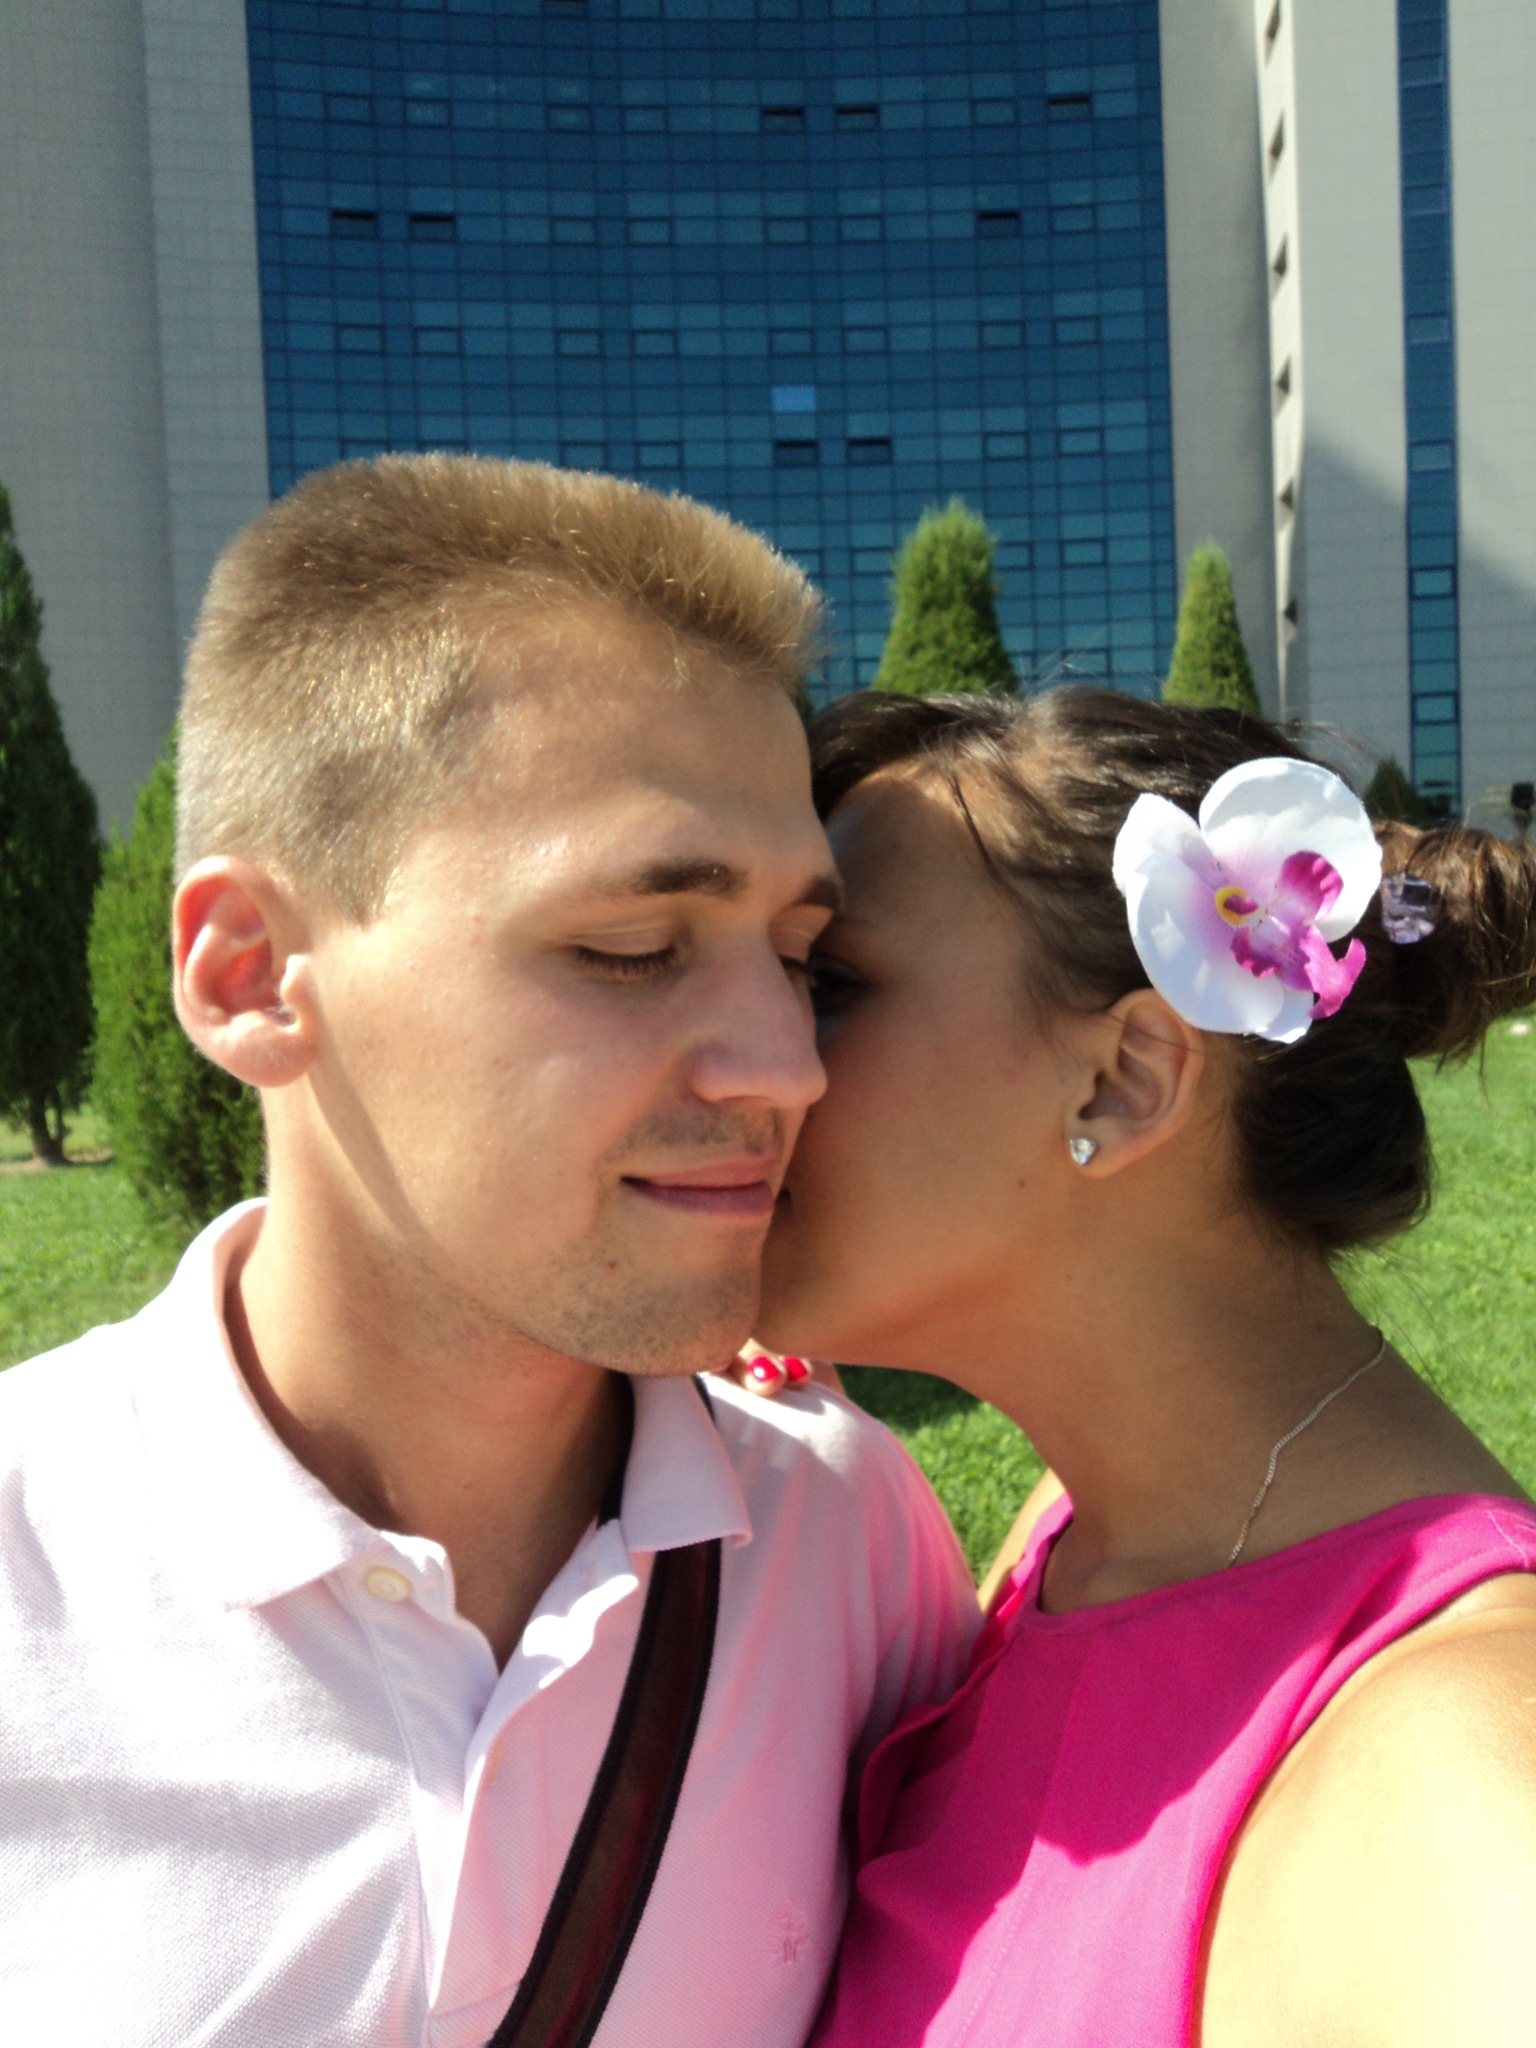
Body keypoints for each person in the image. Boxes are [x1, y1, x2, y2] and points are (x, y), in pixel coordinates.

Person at [0, 458, 978, 2047]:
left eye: (802, 957)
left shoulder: (846, 1545)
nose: (787, 1068)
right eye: (632, 948)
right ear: (250, 974)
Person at [751, 686, 1536, 2047]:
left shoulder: (1463, 1778)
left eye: (826, 985)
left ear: (1124, 1079)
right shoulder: (1074, 1542)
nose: (746, 1060)